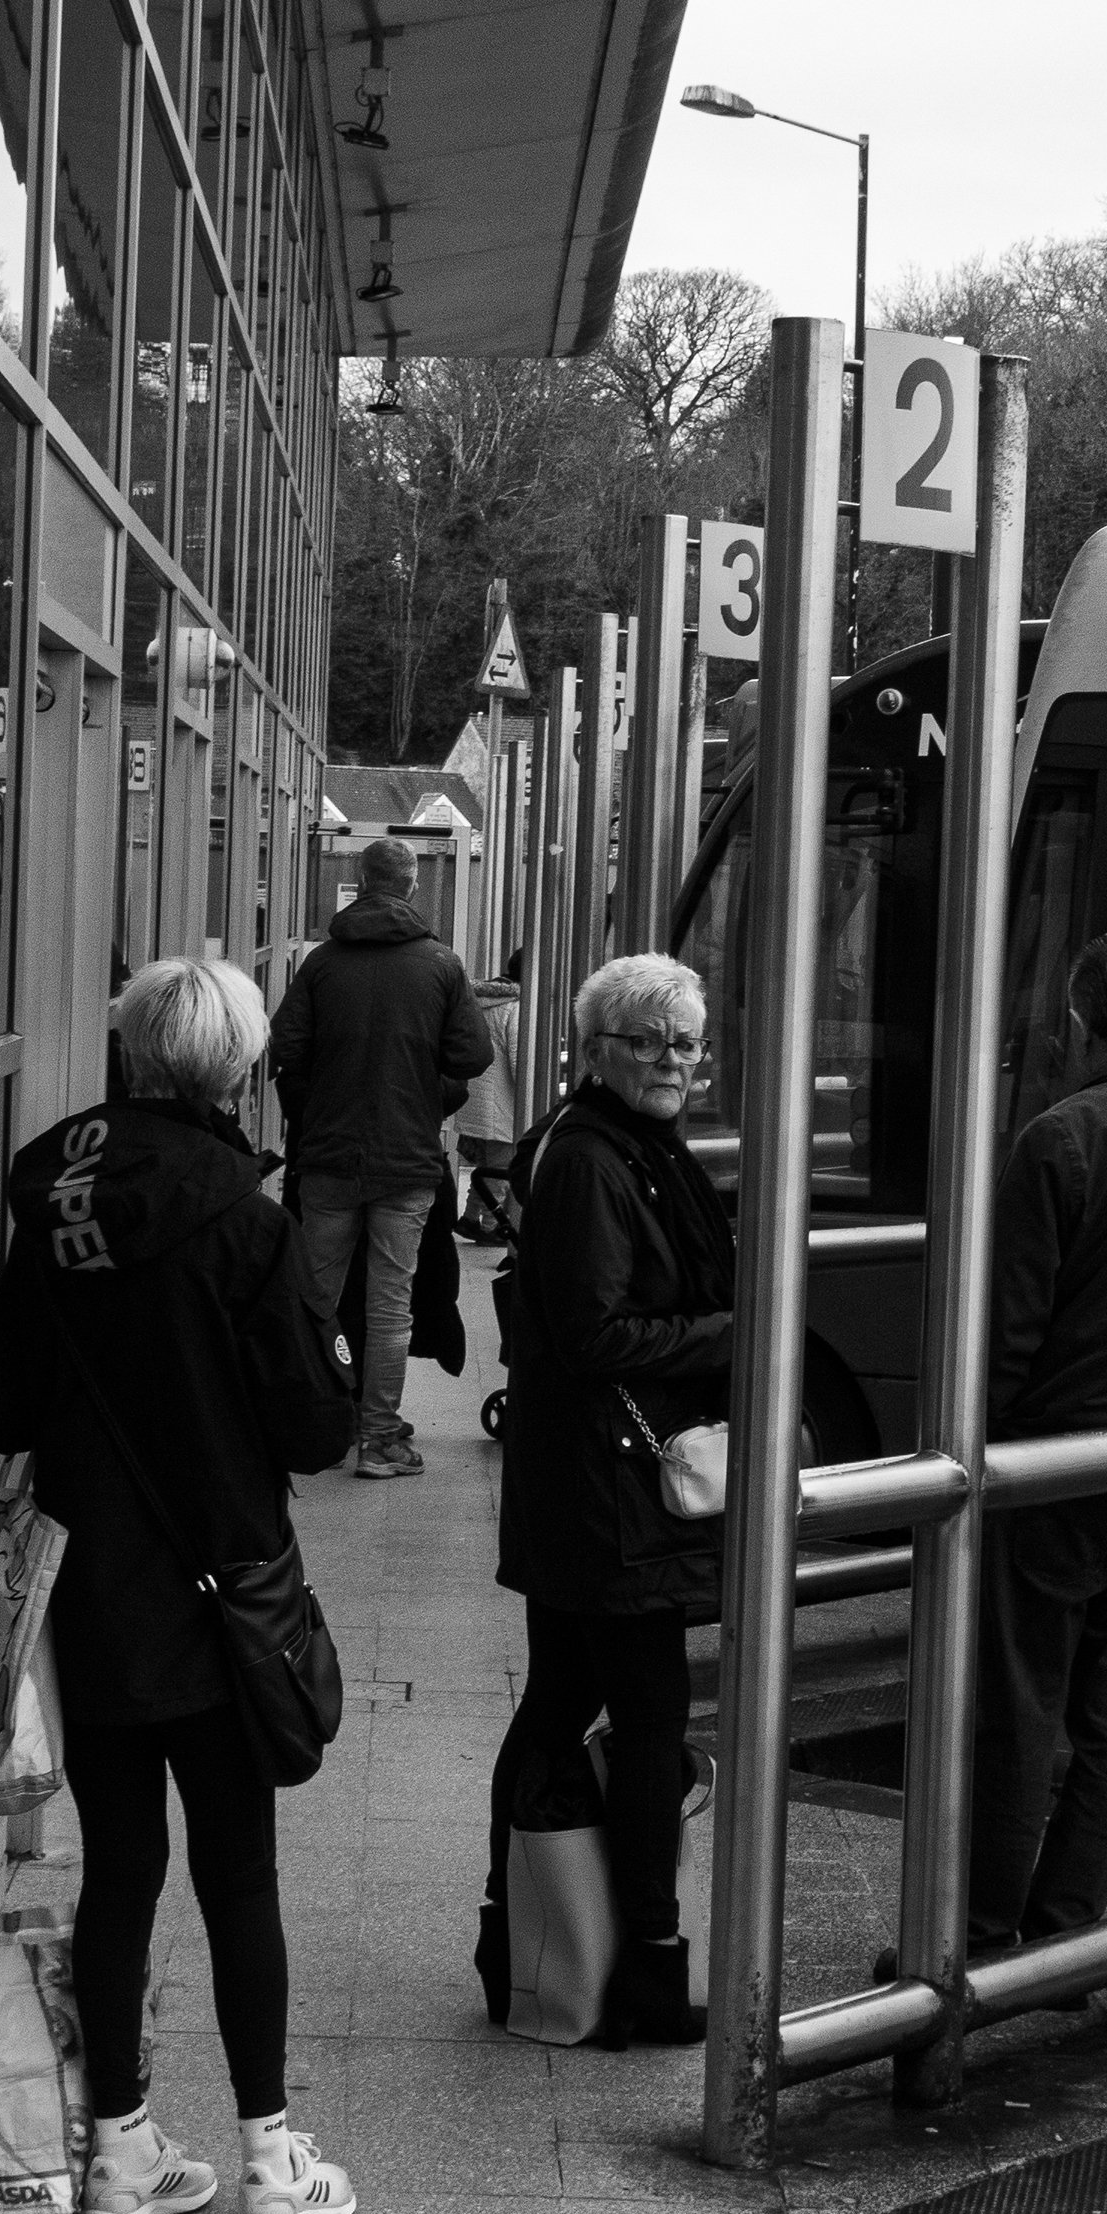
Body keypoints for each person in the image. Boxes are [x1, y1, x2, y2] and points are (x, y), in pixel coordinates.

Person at [0, 956, 361, 2214]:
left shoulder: (53, 1197)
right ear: (237, 1070)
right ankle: (266, 2164)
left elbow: (0, 1404)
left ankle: (120, 2157)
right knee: (236, 1870)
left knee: (120, 1866)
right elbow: (310, 1426)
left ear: (132, 1058)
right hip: (220, 1589)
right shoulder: (245, 1220)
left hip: (88, 1587)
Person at [482, 952, 733, 2044]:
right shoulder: (595, 1160)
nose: (674, 1060)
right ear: (598, 1049)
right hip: (605, 1492)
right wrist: (741, 1328)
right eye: (650, 1040)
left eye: (687, 1041)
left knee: (561, 1702)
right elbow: (592, 1334)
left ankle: (520, 1935)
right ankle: (642, 1960)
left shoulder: (637, 1147)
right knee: (646, 1716)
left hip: (596, 1486)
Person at [966, 926, 1107, 1958]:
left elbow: (1003, 1331)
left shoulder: (1060, 1138)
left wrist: (977, 1453)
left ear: (1079, 1022)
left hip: (1056, 1466)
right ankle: (1065, 1931)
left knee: (1020, 1700)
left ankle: (983, 1920)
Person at [270, 836, 492, 1479]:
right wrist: (425, 1089)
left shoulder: (320, 966)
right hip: (406, 1161)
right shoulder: (442, 966)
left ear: (361, 883)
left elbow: (286, 1045)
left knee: (317, 1296)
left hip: (328, 1160)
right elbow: (471, 1058)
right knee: (392, 1301)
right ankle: (379, 1439)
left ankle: (314, 1421)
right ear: (412, 885)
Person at [456, 949, 522, 1239]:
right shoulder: (515, 1007)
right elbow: (521, 1062)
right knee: (501, 1170)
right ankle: (490, 1227)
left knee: (487, 1167)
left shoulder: (480, 1001)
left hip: (476, 1099)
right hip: (502, 1103)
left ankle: (470, 1219)